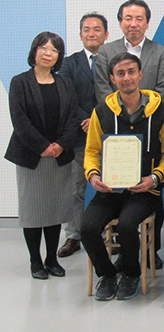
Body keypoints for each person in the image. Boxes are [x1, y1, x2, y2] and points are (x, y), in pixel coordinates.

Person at [81, 53, 164, 301]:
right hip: (109, 190)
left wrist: (154, 179)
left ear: (141, 74)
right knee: (88, 228)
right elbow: (91, 151)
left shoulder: (163, 112)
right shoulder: (101, 112)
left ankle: (132, 273)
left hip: (144, 191)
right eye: (120, 73)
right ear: (112, 78)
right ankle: (109, 274)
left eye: (131, 71)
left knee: (126, 224)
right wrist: (92, 176)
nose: (127, 78)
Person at [5, 32, 78, 279]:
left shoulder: (65, 83)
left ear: (59, 56)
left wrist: (60, 145)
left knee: (55, 209)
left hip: (58, 155)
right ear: (34, 50)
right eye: (44, 48)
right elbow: (20, 121)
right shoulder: (19, 82)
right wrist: (43, 146)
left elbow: (72, 118)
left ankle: (51, 259)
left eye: (54, 50)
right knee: (33, 210)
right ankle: (35, 261)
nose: (48, 53)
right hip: (31, 156)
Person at [56, 13, 109, 258]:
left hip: (109, 134)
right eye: (86, 29)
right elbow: (65, 96)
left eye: (97, 29)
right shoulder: (69, 63)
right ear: (80, 35)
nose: (91, 33)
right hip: (79, 134)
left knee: (111, 186)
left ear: (106, 35)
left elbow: (117, 93)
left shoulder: (112, 59)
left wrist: (99, 120)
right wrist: (85, 120)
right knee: (76, 188)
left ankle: (112, 233)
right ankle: (74, 235)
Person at [94, 0, 164, 101]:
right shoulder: (106, 51)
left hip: (151, 114)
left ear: (147, 23)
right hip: (114, 114)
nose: (133, 24)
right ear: (120, 23)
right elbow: (102, 87)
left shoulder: (162, 53)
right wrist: (120, 110)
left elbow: (163, 89)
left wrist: (144, 111)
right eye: (128, 19)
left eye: (139, 19)